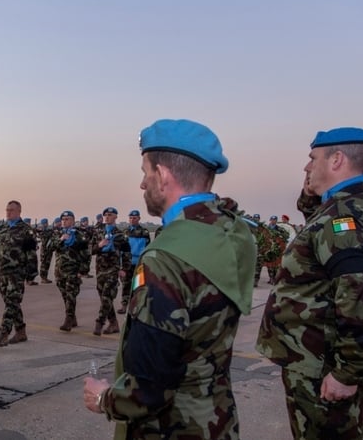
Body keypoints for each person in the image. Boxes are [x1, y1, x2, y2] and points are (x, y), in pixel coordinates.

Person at [83, 119, 256, 439]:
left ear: (162, 175)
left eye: (145, 172)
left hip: (173, 428)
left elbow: (150, 386)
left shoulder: (166, 258)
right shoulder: (230, 231)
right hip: (216, 420)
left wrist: (104, 397)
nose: (142, 184)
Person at [256, 127, 363, 439]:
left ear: (337, 159)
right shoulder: (354, 204)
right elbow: (312, 215)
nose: (306, 167)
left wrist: (348, 373)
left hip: (322, 365)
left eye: (312, 159)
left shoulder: (343, 217)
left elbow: (359, 297)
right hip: (320, 358)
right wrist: (312, 186)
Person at [0, 200, 38, 347]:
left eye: (11, 210)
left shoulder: (26, 230)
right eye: (7, 210)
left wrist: (31, 274)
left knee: (11, 303)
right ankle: (21, 331)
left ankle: (4, 334)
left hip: (17, 273)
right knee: (12, 303)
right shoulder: (1, 229)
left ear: (19, 212)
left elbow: (31, 254)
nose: (8, 212)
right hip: (3, 272)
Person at [90, 207, 130, 335]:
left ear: (116, 217)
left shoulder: (120, 234)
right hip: (100, 269)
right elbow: (90, 250)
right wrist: (99, 245)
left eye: (110, 215)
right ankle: (113, 324)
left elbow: (126, 252)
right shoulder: (98, 232)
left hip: (113, 269)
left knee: (107, 296)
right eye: (105, 215)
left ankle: (99, 322)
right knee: (104, 298)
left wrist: (124, 268)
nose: (107, 217)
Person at [51, 210, 89, 331]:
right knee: (65, 295)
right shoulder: (57, 234)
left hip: (73, 271)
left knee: (71, 295)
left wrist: (83, 271)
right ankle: (73, 318)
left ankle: (68, 319)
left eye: (67, 219)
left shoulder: (79, 235)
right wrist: (61, 239)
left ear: (73, 221)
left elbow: (85, 255)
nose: (64, 221)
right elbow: (49, 247)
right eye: (63, 219)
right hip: (60, 270)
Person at [118, 210, 151, 314]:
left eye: (134, 218)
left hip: (138, 263)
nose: (132, 220)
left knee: (137, 285)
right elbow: (121, 249)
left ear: (139, 218)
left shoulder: (144, 232)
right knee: (126, 285)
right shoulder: (125, 232)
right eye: (131, 218)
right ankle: (124, 305)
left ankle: (136, 306)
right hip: (127, 264)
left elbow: (146, 248)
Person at [37, 218, 54, 284]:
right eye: (45, 223)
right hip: (44, 250)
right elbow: (44, 236)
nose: (46, 224)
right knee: (44, 263)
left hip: (49, 249)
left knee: (47, 263)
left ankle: (45, 277)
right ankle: (43, 278)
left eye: (46, 223)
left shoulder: (48, 230)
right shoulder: (42, 231)